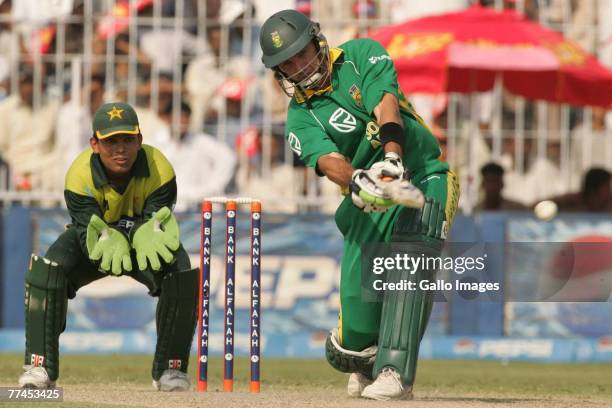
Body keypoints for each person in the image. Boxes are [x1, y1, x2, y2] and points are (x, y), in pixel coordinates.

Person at [259, 10, 460, 401]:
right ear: (279, 72)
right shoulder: (300, 118)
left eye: (302, 53)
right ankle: (365, 359)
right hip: (367, 198)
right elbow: (328, 162)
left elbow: (384, 105)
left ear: (317, 42)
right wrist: (359, 179)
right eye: (288, 63)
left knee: (410, 260)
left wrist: (391, 159)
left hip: (422, 175)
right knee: (349, 346)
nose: (300, 66)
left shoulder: (361, 54)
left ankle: (395, 372)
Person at [18, 102, 197, 391]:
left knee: (181, 272)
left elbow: (157, 226)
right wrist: (110, 235)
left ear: (140, 139)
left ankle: (170, 370)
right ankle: (40, 367)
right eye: (110, 141)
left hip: (142, 244)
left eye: (128, 139)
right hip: (94, 242)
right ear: (94, 144)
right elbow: (86, 230)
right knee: (47, 271)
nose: (120, 149)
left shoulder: (159, 169)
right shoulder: (79, 176)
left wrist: (139, 232)